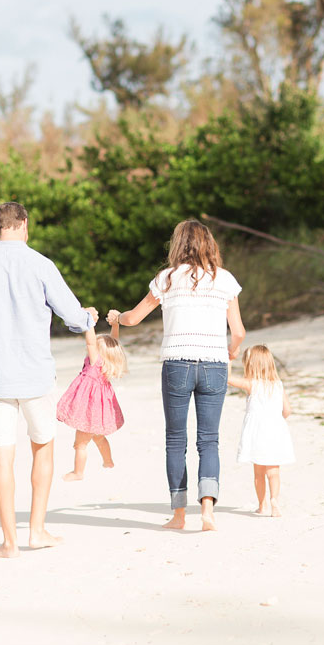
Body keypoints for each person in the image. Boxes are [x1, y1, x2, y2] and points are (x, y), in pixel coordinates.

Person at [0, 201, 97, 559]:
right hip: (35, 375)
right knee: (43, 448)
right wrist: (88, 318)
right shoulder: (41, 264)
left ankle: (9, 543)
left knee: (1, 459)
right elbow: (72, 315)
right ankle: (36, 531)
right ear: (24, 225)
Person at [107, 219, 245, 531]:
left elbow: (134, 317)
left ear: (178, 245)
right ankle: (207, 510)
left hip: (177, 365)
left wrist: (118, 316)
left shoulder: (166, 279)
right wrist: (231, 351)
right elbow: (237, 331)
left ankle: (179, 515)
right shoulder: (224, 280)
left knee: (175, 439)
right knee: (209, 439)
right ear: (209, 244)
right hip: (214, 364)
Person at [57, 316, 128, 481]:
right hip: (99, 410)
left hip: (88, 410)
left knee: (80, 444)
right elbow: (114, 342)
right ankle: (108, 461)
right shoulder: (106, 363)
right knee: (98, 437)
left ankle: (78, 472)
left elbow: (90, 342)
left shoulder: (95, 361)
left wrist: (89, 323)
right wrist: (115, 326)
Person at [229, 345, 294, 517]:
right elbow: (287, 411)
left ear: (250, 365)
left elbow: (227, 378)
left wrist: (229, 358)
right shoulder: (278, 385)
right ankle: (275, 501)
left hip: (258, 433)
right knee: (273, 471)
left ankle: (261, 504)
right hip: (275, 431)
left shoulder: (251, 384)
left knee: (259, 473)